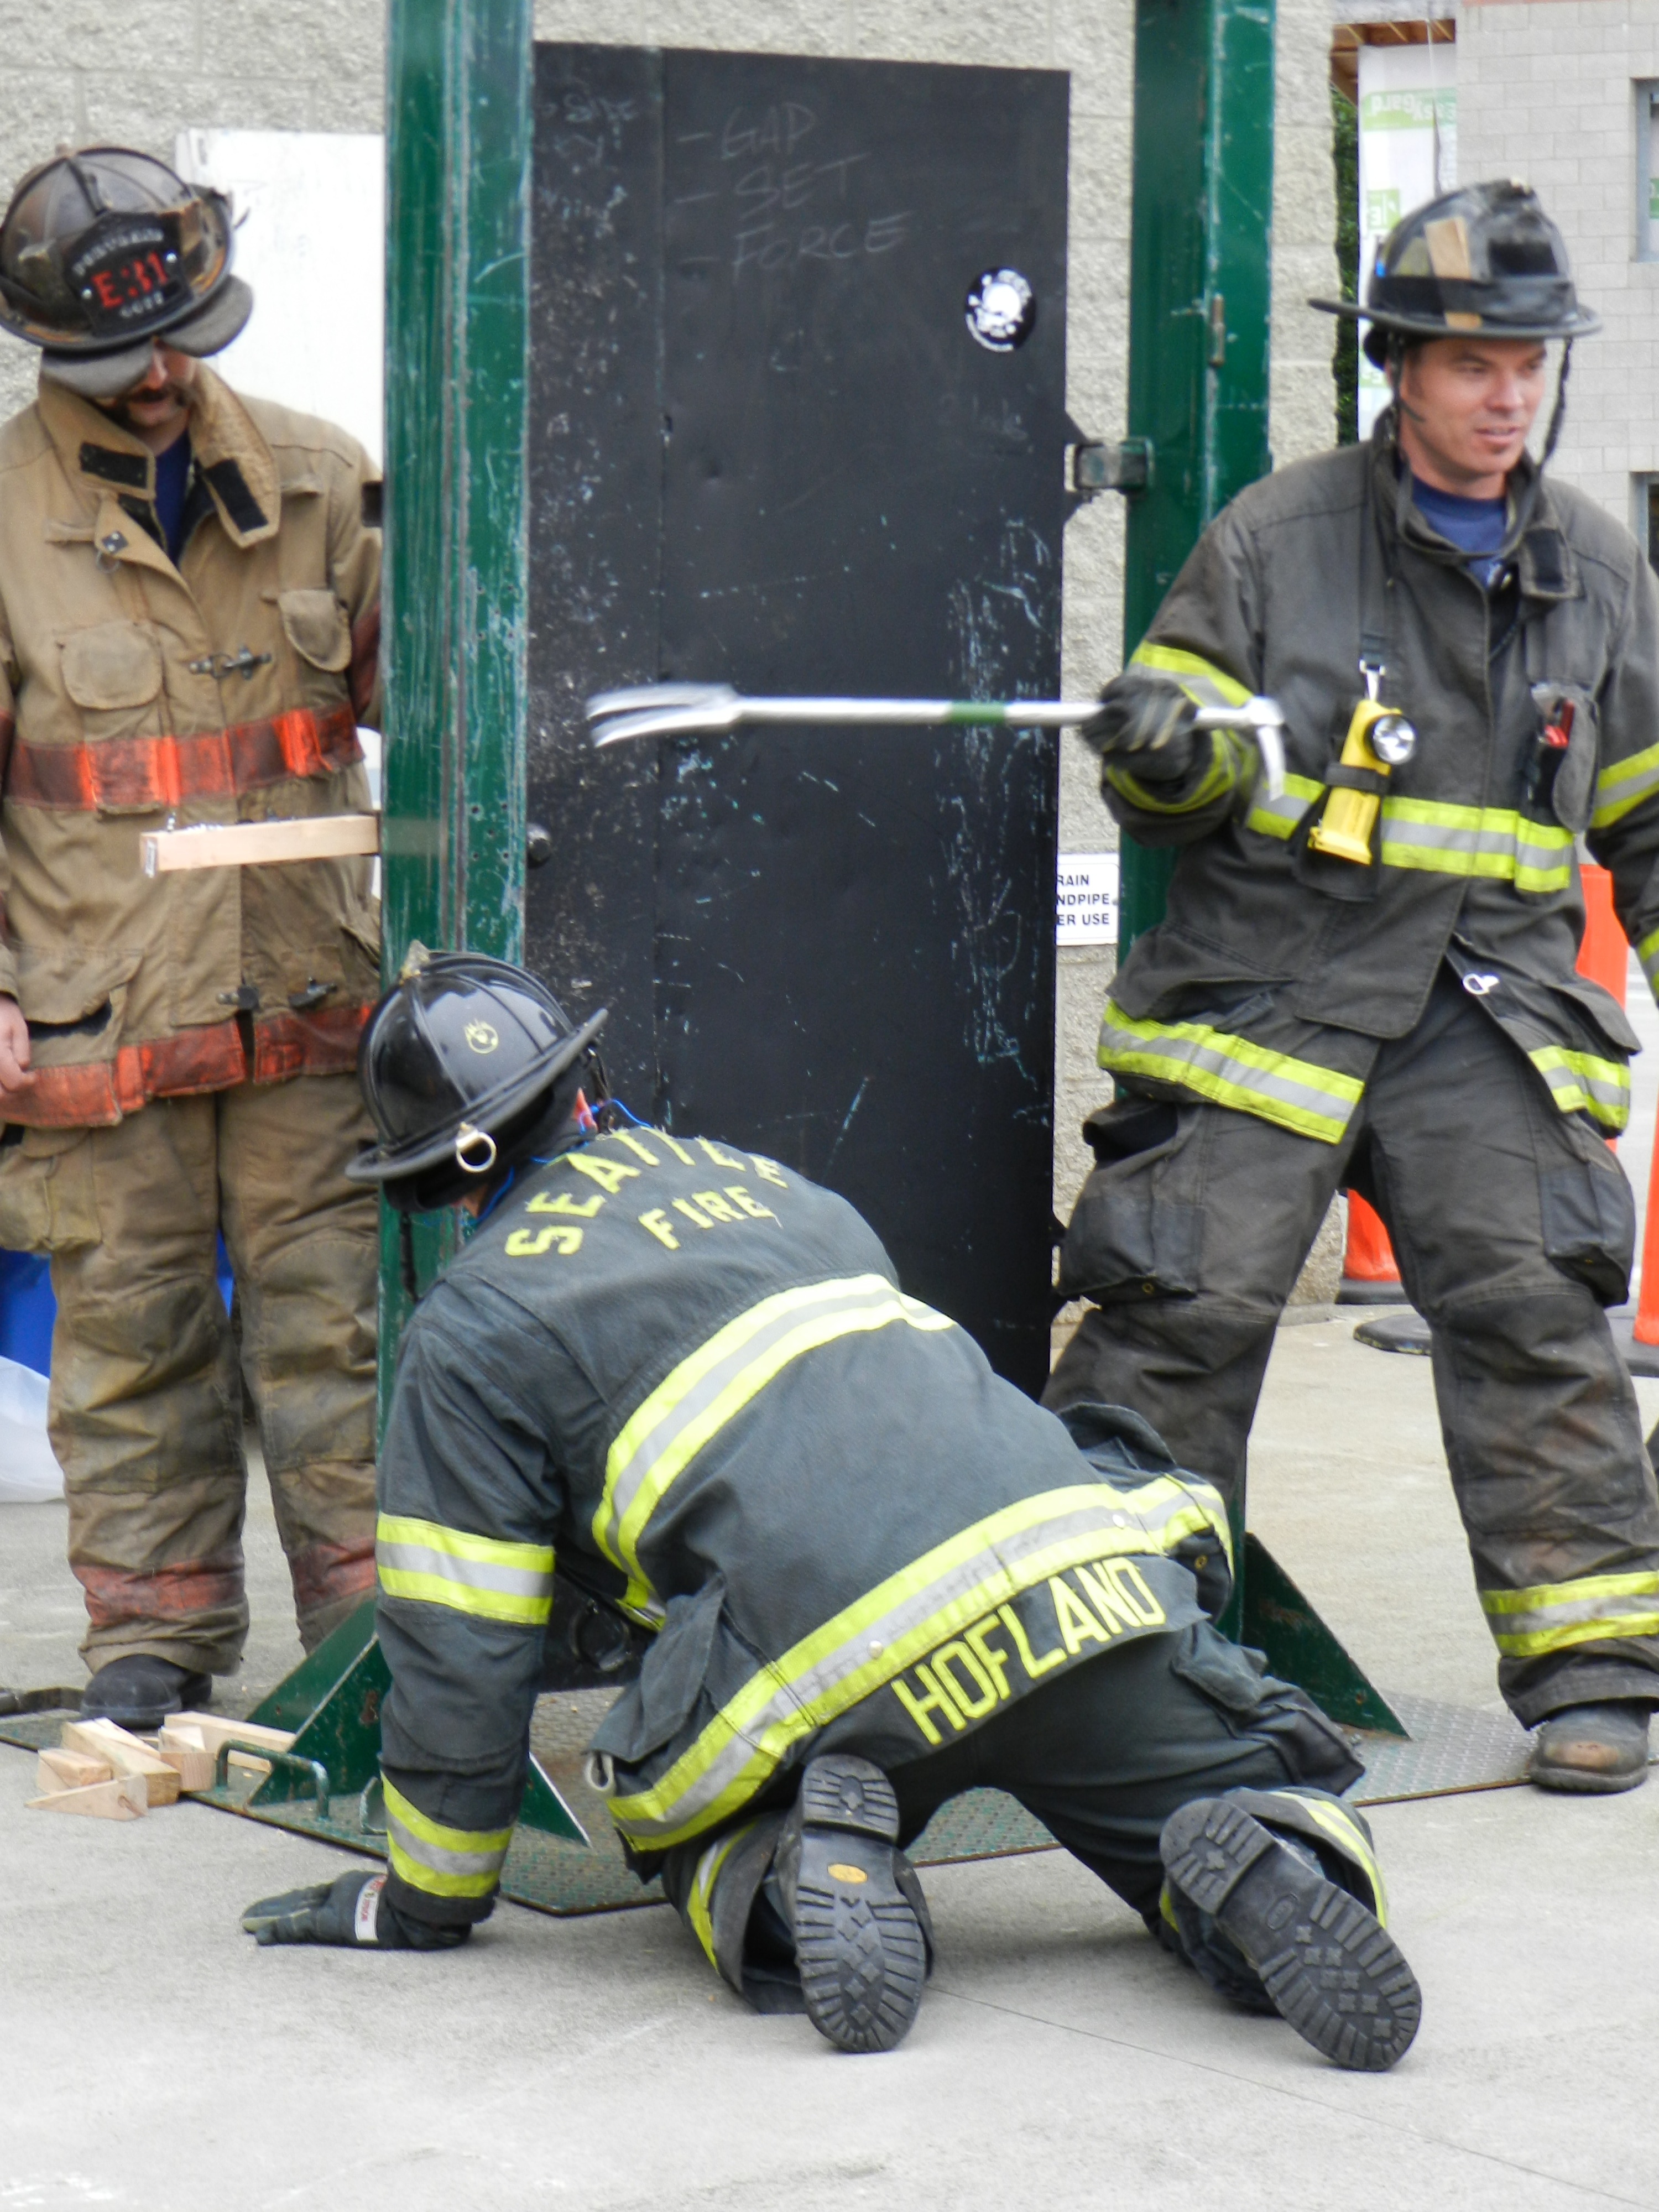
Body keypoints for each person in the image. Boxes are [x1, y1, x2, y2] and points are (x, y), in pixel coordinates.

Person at [241, 950, 1421, 2072]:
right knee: (1237, 1790)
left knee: (680, 1824)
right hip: (1077, 1593)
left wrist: (427, 1897)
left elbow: (462, 1638)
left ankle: (802, 1863)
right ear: (579, 1080)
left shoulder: (471, 1326)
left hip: (835, 1678)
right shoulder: (770, 1185)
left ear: (434, 1177)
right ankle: (1266, 1859)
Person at [1046, 180, 1659, 1794]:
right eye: (1471, 364)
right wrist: (1164, 753)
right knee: (1180, 1311)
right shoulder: (1277, 541)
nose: (1506, 397)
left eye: (1528, 363)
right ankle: (1104, 1670)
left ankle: (1594, 1666)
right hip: (1271, 997)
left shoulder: (1599, 575)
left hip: (1489, 1014)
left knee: (1535, 1305)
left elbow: (1651, 819)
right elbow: (1169, 781)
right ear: (1398, 367)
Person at [0, 148, 383, 1728]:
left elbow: (449, 713)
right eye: (122, 358)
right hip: (99, 1009)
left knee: (341, 1336)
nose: (160, 377)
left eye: (180, 339)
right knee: (132, 1336)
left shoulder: (320, 478)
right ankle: (152, 1648)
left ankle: (383, 1646)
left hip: (311, 1003)